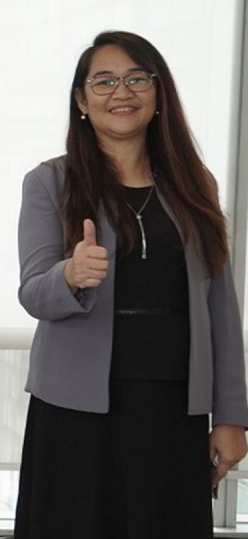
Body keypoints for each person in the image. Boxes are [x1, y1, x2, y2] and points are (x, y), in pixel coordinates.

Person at [15, 31, 248, 538]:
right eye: (104, 81)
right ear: (81, 100)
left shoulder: (195, 184)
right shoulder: (49, 182)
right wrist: (70, 276)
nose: (122, 92)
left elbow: (221, 307)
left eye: (137, 78)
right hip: (77, 407)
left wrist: (232, 416)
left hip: (172, 407)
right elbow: (33, 290)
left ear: (158, 94)